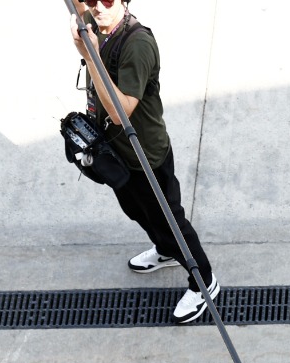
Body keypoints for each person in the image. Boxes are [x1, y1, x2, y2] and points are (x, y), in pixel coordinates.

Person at [70, 0, 217, 325]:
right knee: (136, 210)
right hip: (117, 154)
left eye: (108, 1)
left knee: (172, 223)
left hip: (147, 156)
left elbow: (121, 114)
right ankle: (164, 251)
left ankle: (204, 282)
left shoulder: (137, 43)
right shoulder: (95, 22)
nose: (99, 7)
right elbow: (78, 7)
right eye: (93, 1)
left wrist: (90, 56)